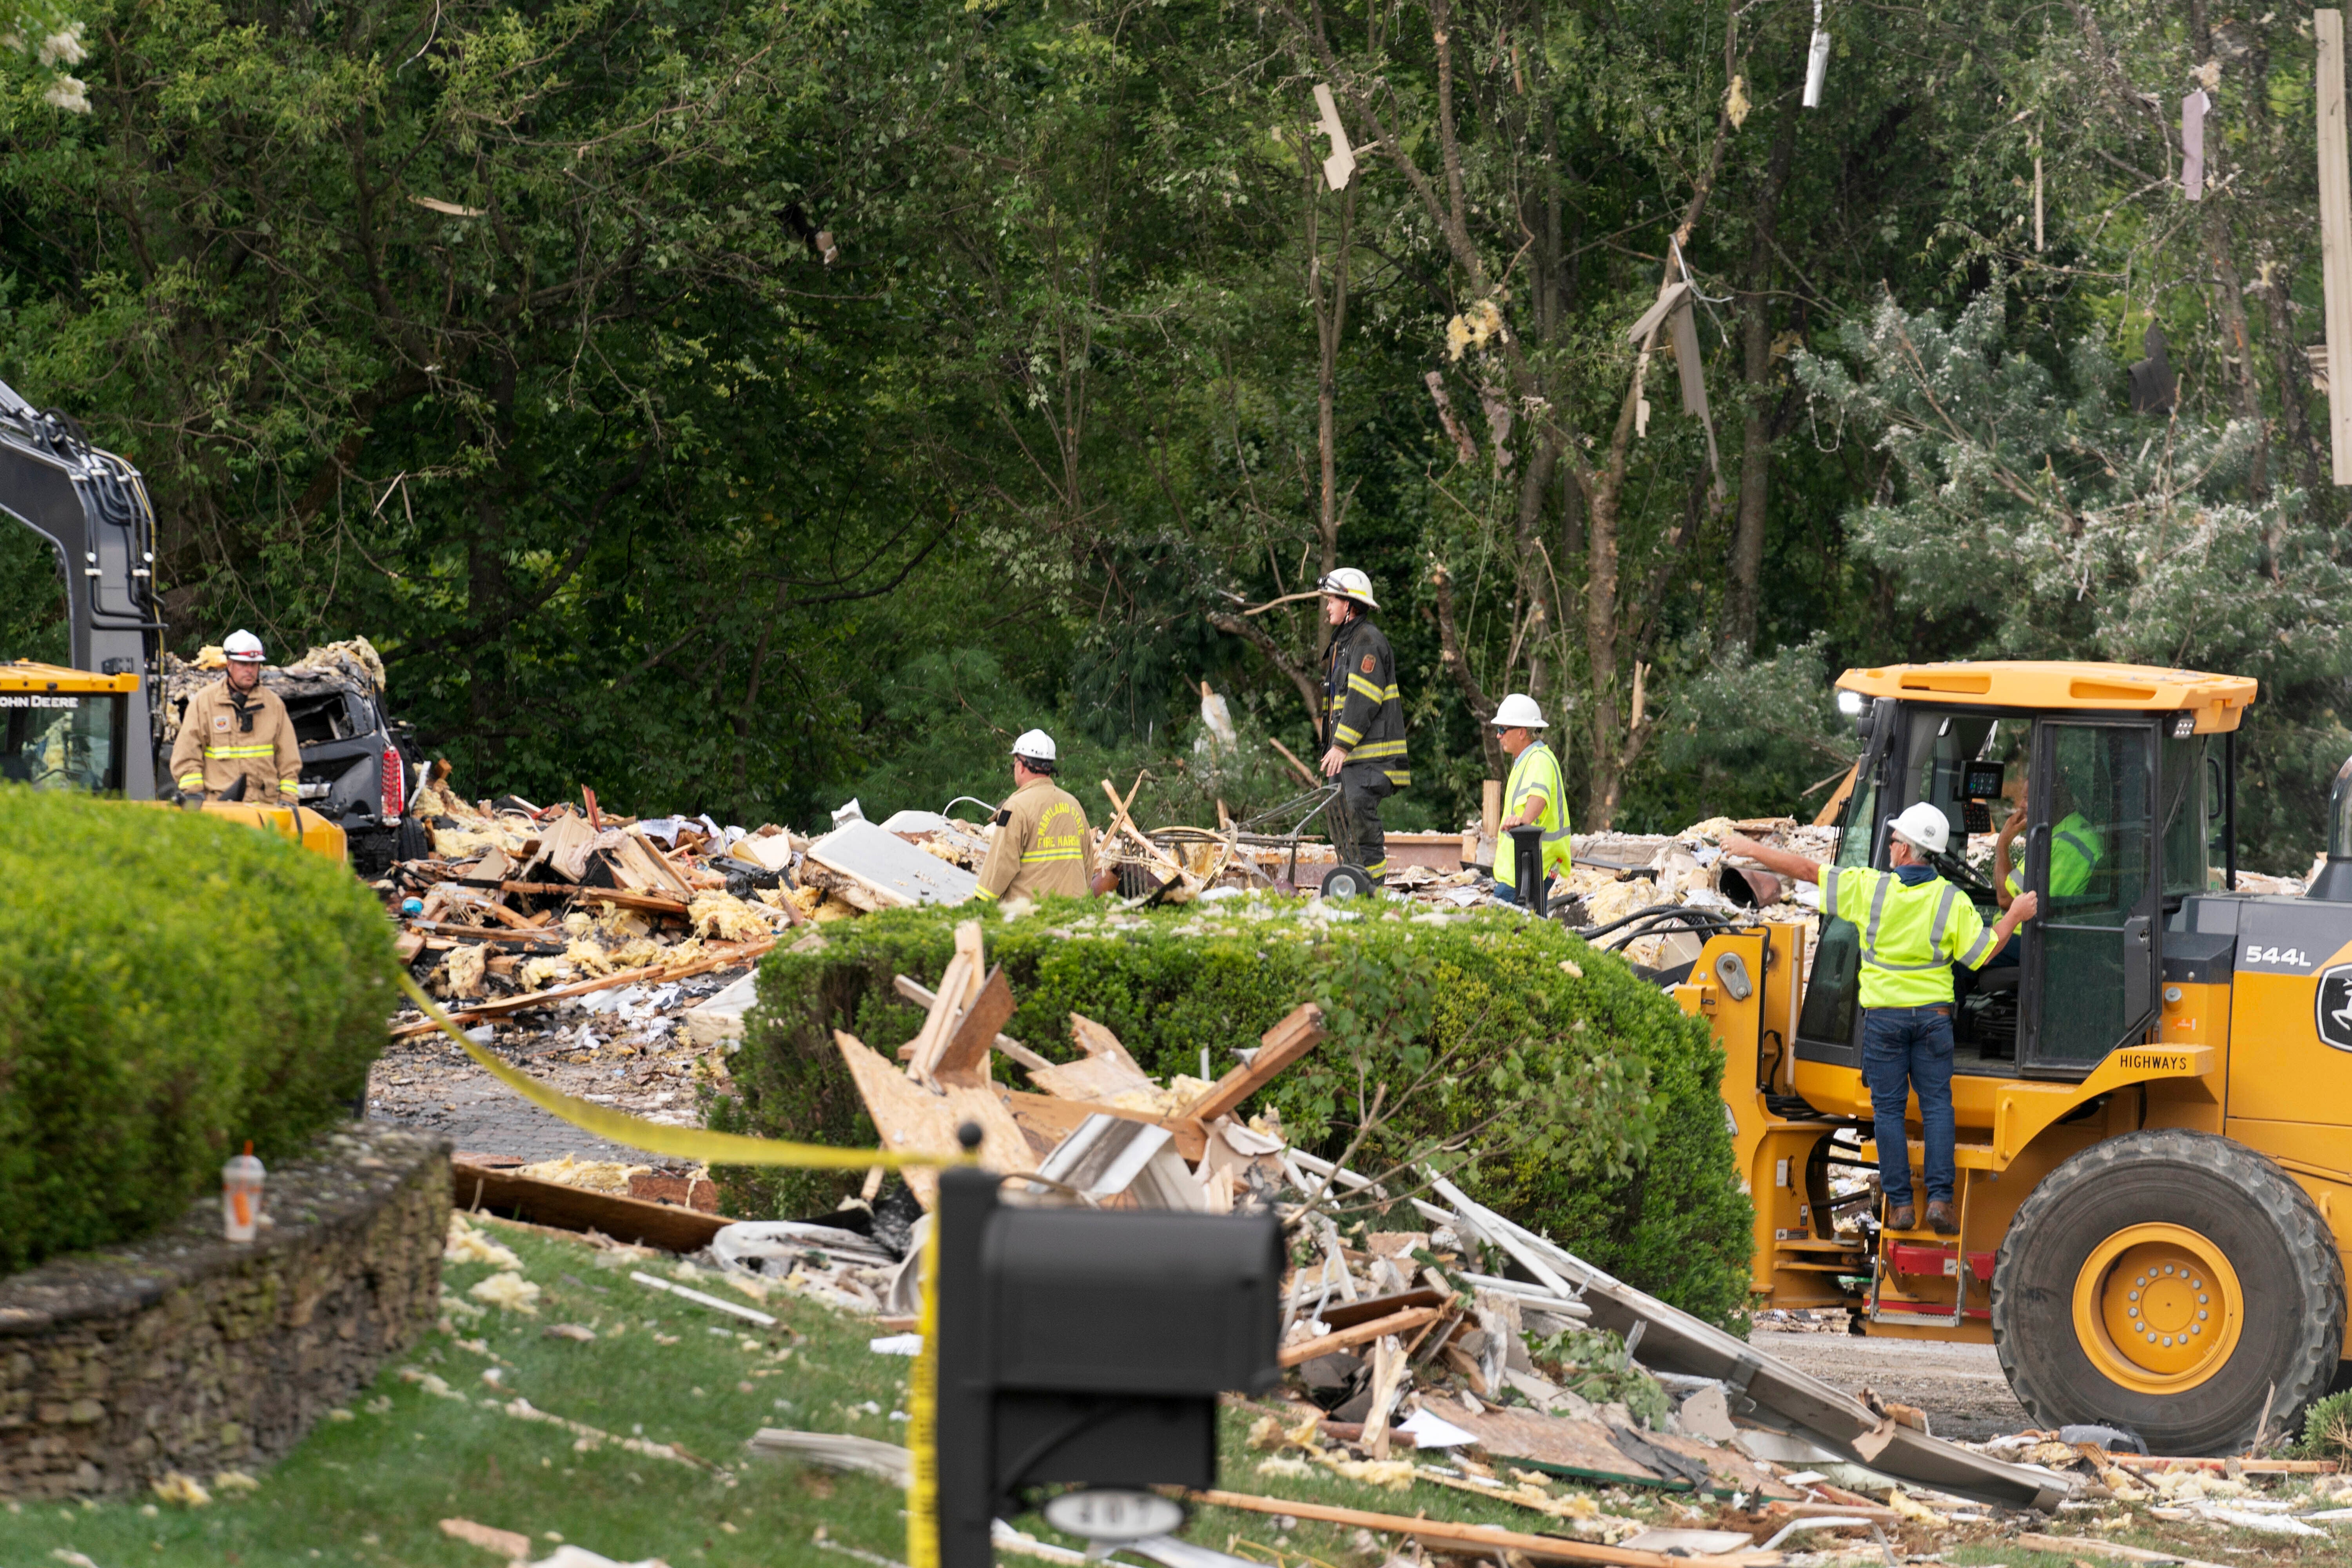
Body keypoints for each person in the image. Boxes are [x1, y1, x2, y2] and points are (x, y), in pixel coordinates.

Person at [1722, 802, 2040, 1236]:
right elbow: (1983, 953)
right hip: (1933, 1021)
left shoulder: (1870, 890)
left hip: (1884, 1023)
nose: (1890, 846)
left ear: (1907, 851)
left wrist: (1747, 848)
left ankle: (1903, 1206)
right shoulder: (1951, 899)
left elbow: (1804, 869)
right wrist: (2015, 916)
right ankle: (1942, 1200)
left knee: (1889, 1111)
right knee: (1937, 1108)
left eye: (1894, 841)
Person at [1316, 568, 1409, 883]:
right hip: (1352, 759)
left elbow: (1363, 698)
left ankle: (1371, 894)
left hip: (1370, 759)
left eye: (1333, 600)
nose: (1328, 606)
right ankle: (1352, 887)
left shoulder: (1367, 641)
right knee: (1341, 822)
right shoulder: (1346, 642)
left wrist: (1341, 745)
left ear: (1350, 605)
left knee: (1360, 823)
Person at [973, 729, 1117, 903]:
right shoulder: (1074, 805)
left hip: (1031, 918)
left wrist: (980, 904)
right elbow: (1087, 866)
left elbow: (999, 868)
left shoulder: (1015, 808)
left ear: (1020, 765)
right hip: (1073, 916)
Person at [169, 629, 301, 806]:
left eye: (254, 665)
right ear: (229, 664)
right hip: (220, 808)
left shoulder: (274, 705)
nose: (250, 670)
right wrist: (194, 795)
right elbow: (187, 754)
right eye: (243, 664)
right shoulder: (205, 703)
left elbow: (289, 760)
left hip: (266, 808)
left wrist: (288, 800)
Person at [1490, 693, 1572, 906]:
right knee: (1521, 930)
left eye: (1502, 729)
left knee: (1500, 928)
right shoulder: (1526, 760)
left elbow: (1539, 796)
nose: (1499, 736)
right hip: (1523, 868)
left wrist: (1524, 821)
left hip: (1529, 868)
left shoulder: (1539, 760)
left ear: (1522, 732)